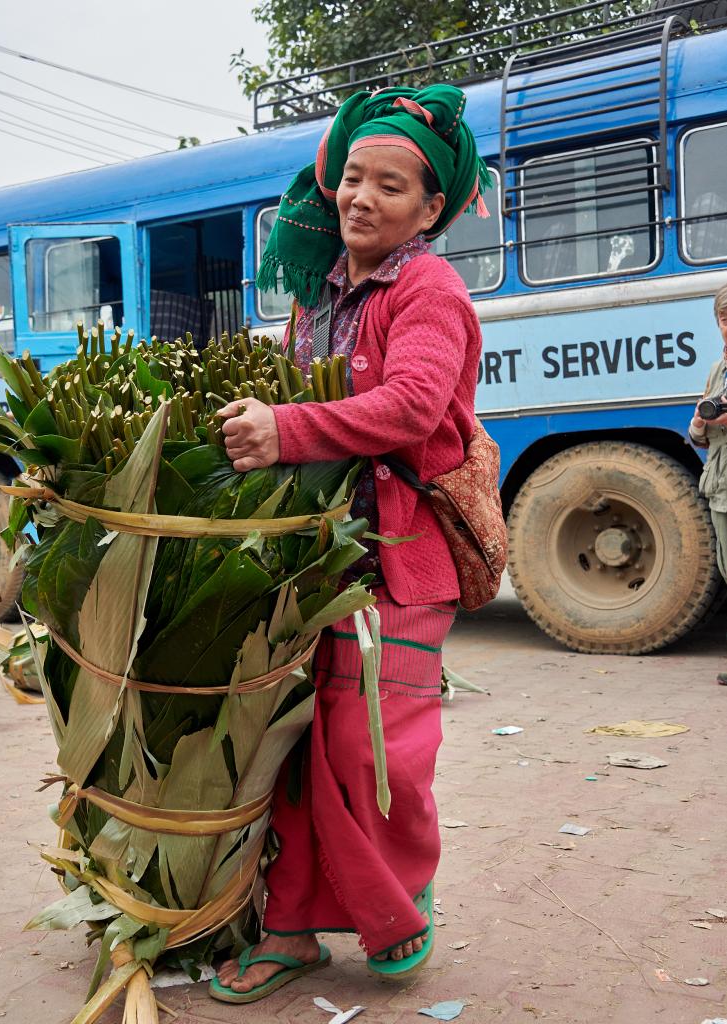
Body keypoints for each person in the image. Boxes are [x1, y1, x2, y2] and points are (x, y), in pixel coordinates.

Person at [210, 84, 491, 1002]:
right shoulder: (320, 295)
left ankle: (396, 903)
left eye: (393, 186)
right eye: (354, 179)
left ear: (431, 209)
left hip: (400, 568)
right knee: (289, 748)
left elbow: (412, 406)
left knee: (372, 752)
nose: (362, 199)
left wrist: (285, 430)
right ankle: (287, 929)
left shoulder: (429, 290)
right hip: (314, 566)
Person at [688, 281, 727, 685]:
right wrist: (702, 420)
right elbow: (699, 433)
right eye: (724, 318)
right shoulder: (718, 370)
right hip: (720, 486)